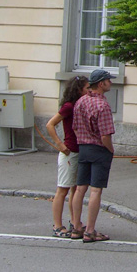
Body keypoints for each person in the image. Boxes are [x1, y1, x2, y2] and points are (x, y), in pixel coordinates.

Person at [70, 69, 116, 243]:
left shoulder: (81, 101)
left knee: (80, 188)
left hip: (83, 147)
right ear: (101, 84)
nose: (111, 83)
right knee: (95, 190)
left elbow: (75, 127)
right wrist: (110, 150)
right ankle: (90, 231)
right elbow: (105, 135)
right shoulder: (102, 105)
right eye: (108, 80)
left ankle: (76, 227)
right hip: (98, 149)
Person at [46, 75, 89, 238]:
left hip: (79, 151)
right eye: (86, 88)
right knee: (62, 189)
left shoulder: (80, 105)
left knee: (75, 189)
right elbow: (50, 124)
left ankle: (74, 222)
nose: (89, 90)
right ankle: (57, 225)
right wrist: (60, 144)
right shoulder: (69, 106)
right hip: (70, 153)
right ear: (78, 89)